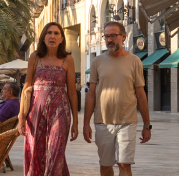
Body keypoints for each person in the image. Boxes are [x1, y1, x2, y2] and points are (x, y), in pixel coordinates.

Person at [83, 22, 151, 176]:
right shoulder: (97, 62)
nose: (109, 40)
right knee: (105, 165)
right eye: (106, 36)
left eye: (113, 35)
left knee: (124, 164)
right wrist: (86, 123)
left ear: (123, 37)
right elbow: (91, 94)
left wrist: (147, 125)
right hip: (103, 122)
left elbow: (141, 95)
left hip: (127, 121)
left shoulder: (135, 61)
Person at [19, 22, 79, 176]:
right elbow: (26, 87)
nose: (52, 36)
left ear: (61, 38)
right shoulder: (35, 57)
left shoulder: (68, 59)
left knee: (56, 152)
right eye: (49, 33)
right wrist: (21, 118)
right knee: (35, 152)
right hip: (36, 112)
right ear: (43, 37)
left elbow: (72, 92)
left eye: (56, 33)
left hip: (60, 112)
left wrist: (76, 122)